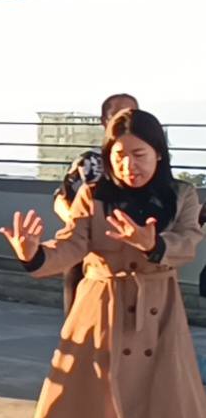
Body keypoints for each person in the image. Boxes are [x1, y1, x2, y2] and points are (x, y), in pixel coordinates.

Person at [1, 108, 203, 418]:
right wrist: (34, 254)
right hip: (103, 311)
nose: (129, 164)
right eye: (119, 155)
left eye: (139, 154)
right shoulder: (94, 196)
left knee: (165, 414)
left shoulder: (181, 195)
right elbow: (71, 243)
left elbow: (189, 241)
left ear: (158, 153)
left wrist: (154, 244)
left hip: (160, 314)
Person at [54, 93, 138, 314]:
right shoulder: (89, 161)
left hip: (134, 258)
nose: (125, 120)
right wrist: (84, 224)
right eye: (117, 115)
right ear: (104, 121)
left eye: (132, 114)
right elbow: (60, 199)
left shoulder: (149, 161)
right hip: (87, 258)